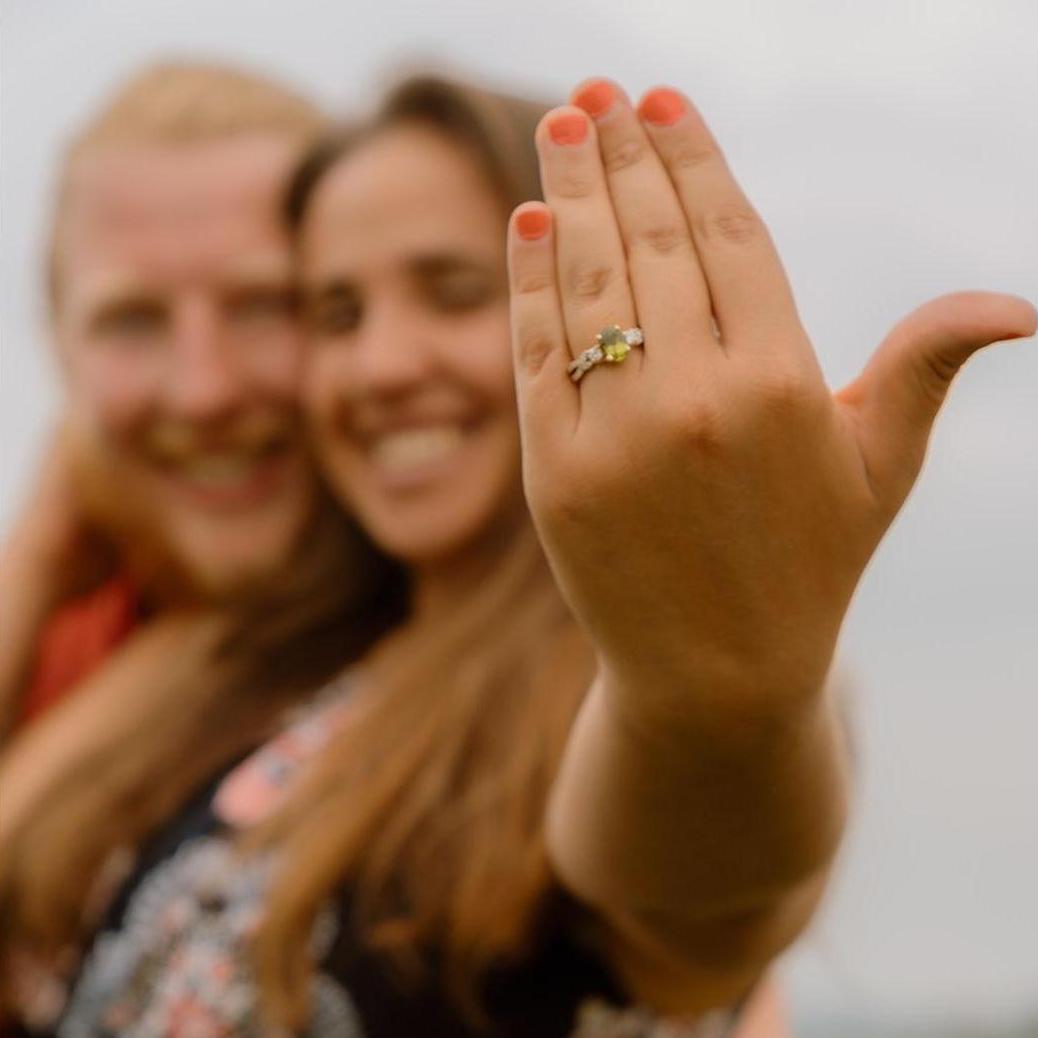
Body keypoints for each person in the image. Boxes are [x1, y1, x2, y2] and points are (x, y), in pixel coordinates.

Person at [5, 71, 1034, 1037]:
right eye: (336, 312)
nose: (381, 365)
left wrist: (726, 676)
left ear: (593, 301)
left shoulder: (606, 684)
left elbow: (706, 883)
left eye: (455, 290)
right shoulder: (272, 660)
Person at [0, 60, 328, 739]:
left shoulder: (494, 637)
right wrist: (30, 568)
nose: (204, 391)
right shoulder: (58, 634)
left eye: (264, 304)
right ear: (60, 348)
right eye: (133, 321)